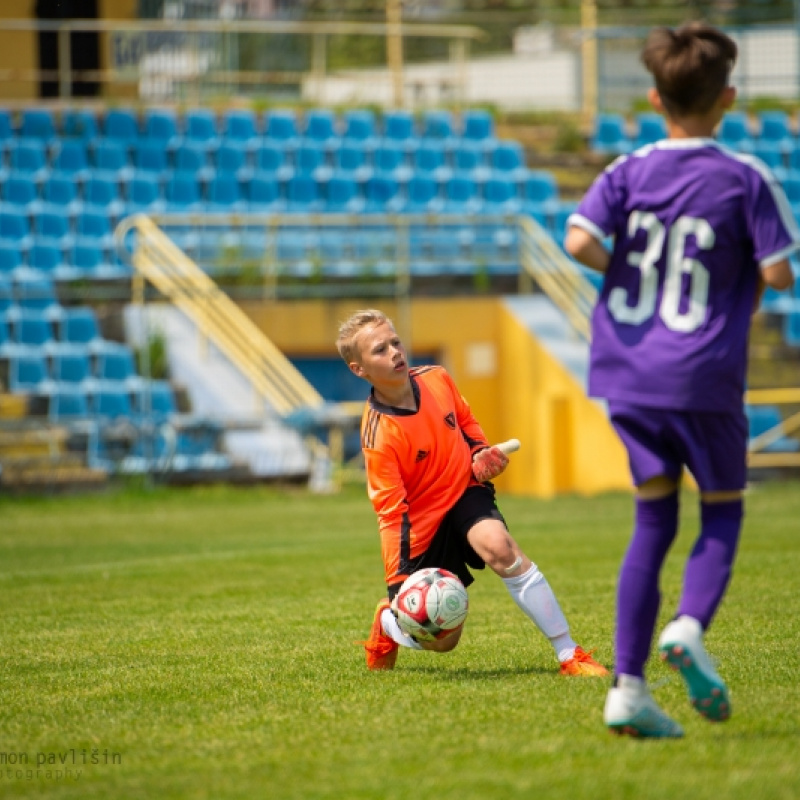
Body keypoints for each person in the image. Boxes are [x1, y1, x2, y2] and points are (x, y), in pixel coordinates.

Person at [565, 22, 798, 738]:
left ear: (655, 98)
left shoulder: (627, 169)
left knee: (653, 518)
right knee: (722, 511)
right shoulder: (743, 176)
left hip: (628, 375)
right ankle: (689, 627)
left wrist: (628, 271)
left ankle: (628, 689)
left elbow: (577, 240)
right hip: (703, 374)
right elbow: (778, 271)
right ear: (727, 96)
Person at [335, 308, 608, 677]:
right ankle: (389, 621)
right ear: (359, 368)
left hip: (464, 490)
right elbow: (390, 512)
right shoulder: (379, 434)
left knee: (502, 549)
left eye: (395, 342)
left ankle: (569, 653)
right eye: (380, 350)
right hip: (421, 526)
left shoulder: (437, 378)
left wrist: (480, 452)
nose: (395, 352)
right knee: (444, 641)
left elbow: (465, 422)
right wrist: (399, 583)